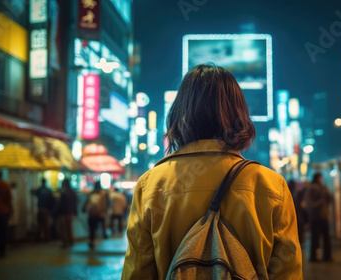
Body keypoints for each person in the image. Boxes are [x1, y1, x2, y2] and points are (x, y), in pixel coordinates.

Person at [122, 65, 302, 279]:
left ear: (179, 114)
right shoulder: (271, 185)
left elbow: (138, 272)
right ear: (239, 115)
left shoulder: (151, 185)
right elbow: (286, 272)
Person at [304, 172, 332, 262]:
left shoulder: (316, 188)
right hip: (318, 216)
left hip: (317, 216)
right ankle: (323, 256)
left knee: (317, 237)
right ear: (318, 178)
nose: (321, 179)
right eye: (320, 178)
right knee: (322, 237)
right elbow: (313, 203)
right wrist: (322, 198)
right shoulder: (315, 188)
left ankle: (316, 256)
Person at [83, 181, 109, 249]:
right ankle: (104, 234)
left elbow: (87, 202)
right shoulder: (103, 193)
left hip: (92, 213)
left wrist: (84, 209)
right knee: (101, 224)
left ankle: (92, 241)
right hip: (101, 213)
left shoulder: (91, 193)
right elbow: (106, 204)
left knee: (92, 228)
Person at [54, 179, 78, 248]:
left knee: (63, 229)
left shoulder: (64, 192)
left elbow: (60, 204)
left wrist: (54, 212)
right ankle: (71, 241)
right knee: (69, 228)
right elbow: (75, 203)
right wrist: (75, 212)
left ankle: (65, 242)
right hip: (70, 213)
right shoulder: (73, 192)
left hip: (63, 213)